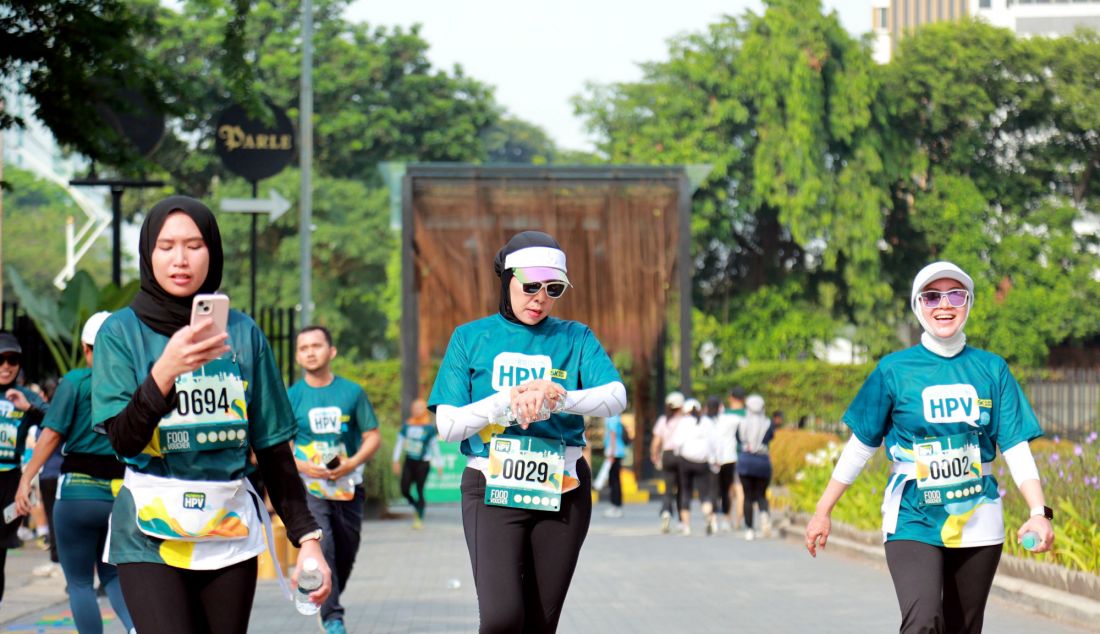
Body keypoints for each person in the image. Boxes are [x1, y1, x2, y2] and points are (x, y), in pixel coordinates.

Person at [91, 195, 331, 633]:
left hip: (227, 530)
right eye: (166, 246)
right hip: (148, 533)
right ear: (148, 254)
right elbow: (123, 441)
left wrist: (309, 542)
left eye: (194, 245)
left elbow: (274, 449)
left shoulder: (242, 332)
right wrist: (166, 371)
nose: (180, 259)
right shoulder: (119, 332)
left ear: (213, 253)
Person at [804, 261, 1054, 634]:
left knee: (962, 627)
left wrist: (1039, 512)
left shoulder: (992, 369)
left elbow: (1015, 447)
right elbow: (860, 446)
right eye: (932, 295)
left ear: (968, 303)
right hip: (913, 515)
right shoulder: (894, 370)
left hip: (978, 517)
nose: (945, 305)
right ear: (917, 304)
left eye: (956, 295)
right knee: (923, 620)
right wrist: (823, 510)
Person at [429, 230, 627, 633]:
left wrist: (557, 397)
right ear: (506, 280)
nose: (540, 297)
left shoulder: (575, 336)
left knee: (540, 623)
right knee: (503, 619)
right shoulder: (469, 337)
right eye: (531, 285)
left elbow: (615, 397)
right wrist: (506, 401)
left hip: (564, 487)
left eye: (553, 288)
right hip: (490, 487)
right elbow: (447, 426)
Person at [15, 312, 135, 634]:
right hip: (120, 497)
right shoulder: (133, 386)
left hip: (78, 496)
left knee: (80, 583)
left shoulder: (76, 382)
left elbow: (52, 434)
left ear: (86, 348)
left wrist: (26, 479)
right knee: (113, 577)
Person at [289, 324, 381, 634]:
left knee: (345, 551)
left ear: (331, 351)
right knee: (322, 542)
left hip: (348, 486)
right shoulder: (292, 396)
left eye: (316, 346)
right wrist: (303, 465)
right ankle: (332, 616)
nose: (310, 352)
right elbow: (281, 447)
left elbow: (372, 436)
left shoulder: (352, 392)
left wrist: (351, 463)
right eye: (304, 348)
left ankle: (326, 591)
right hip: (310, 488)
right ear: (298, 356)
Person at [0, 331, 47, 604]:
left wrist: (32, 407)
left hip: (10, 485)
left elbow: (57, 421)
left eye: (13, 360)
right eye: (1, 359)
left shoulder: (23, 395)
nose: (6, 366)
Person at [392, 397, 441, 529]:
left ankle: (419, 516)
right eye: (415, 408)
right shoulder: (407, 426)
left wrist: (439, 463)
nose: (417, 411)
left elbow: (434, 446)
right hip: (409, 461)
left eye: (420, 408)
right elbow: (399, 443)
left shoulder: (429, 428)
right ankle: (415, 506)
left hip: (423, 463)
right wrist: (395, 460)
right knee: (404, 489)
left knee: (419, 489)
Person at [673, 398, 719, 536]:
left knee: (685, 492)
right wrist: (714, 459)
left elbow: (676, 442)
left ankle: (686, 526)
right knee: (704, 494)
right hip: (703, 462)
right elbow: (714, 442)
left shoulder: (683, 422)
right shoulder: (707, 422)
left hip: (686, 461)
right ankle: (709, 518)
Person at [737, 393, 773, 541]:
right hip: (762, 461)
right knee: (761, 494)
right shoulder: (768, 423)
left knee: (747, 496)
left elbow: (739, 439)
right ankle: (764, 513)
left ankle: (750, 529)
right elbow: (769, 438)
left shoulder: (742, 422)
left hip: (746, 460)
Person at [650, 391, 685, 533]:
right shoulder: (685, 421)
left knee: (668, 487)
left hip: (667, 456)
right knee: (683, 488)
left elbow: (656, 442)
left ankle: (666, 512)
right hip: (682, 456)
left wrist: (655, 456)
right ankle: (683, 520)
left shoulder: (663, 421)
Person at [715, 388, 745, 532]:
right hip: (744, 455)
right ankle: (739, 520)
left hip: (727, 456)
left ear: (731, 398)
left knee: (728, 489)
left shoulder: (724, 415)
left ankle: (727, 518)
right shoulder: (747, 415)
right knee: (740, 489)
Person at [601, 414, 627, 518]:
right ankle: (617, 506)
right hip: (617, 452)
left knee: (614, 480)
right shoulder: (616, 417)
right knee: (615, 480)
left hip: (614, 453)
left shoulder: (612, 417)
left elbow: (612, 434)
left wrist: (611, 453)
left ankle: (615, 506)